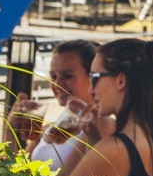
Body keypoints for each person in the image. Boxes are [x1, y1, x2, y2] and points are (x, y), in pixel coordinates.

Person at [60, 38, 153, 176]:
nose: (91, 89)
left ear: (120, 80)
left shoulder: (116, 149)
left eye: (94, 78)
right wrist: (94, 138)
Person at [5, 39, 98, 169]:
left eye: (67, 76)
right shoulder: (50, 128)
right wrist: (10, 128)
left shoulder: (96, 129)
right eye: (53, 77)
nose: (57, 84)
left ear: (92, 78)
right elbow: (16, 173)